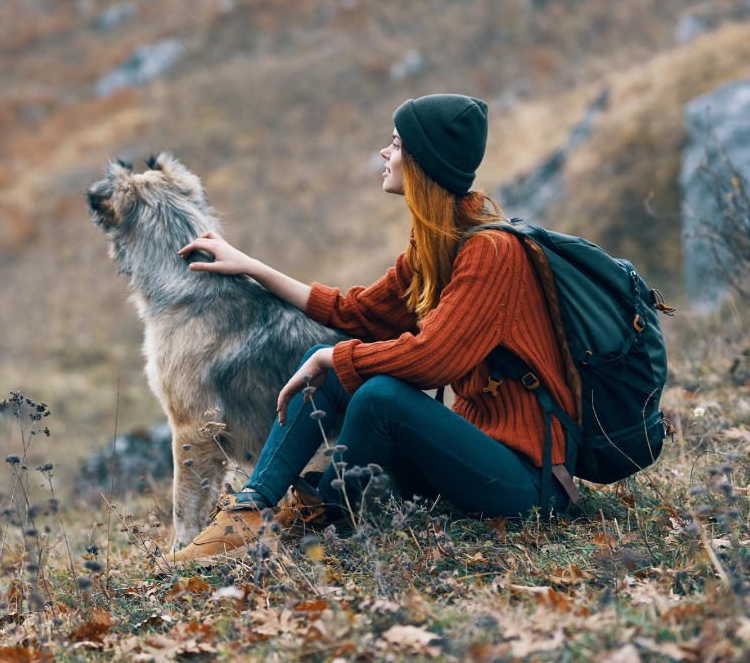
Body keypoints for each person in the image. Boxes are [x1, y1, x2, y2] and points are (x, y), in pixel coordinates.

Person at [169, 94, 577, 565]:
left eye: (397, 144)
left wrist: (331, 357)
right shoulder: (437, 246)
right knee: (342, 367)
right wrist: (252, 267)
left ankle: (322, 515)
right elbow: (357, 312)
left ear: (424, 161)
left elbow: (434, 358)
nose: (386, 153)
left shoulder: (492, 253)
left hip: (527, 488)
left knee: (375, 392)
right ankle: (250, 512)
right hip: (469, 464)